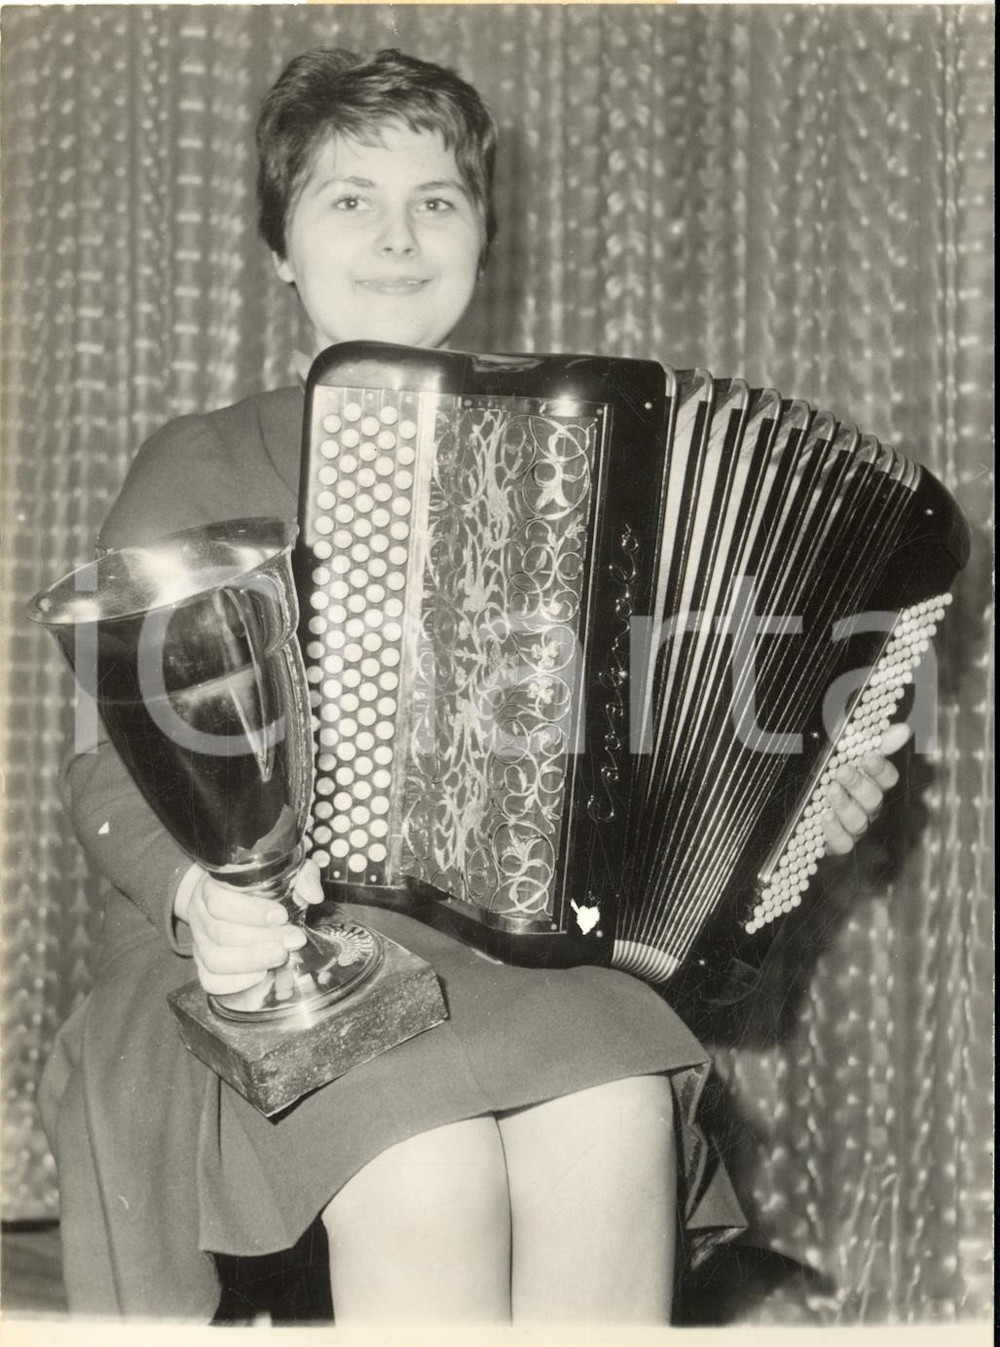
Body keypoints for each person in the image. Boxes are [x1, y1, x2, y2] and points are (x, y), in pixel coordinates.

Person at [39, 47, 905, 1325]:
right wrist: (196, 897)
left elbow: (666, 763)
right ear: (279, 244)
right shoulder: (207, 458)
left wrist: (796, 803)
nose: (398, 237)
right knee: (429, 1169)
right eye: (348, 200)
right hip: (278, 959)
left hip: (523, 954)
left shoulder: (582, 462)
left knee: (616, 1116)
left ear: (482, 236)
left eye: (437, 201)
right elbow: (117, 763)